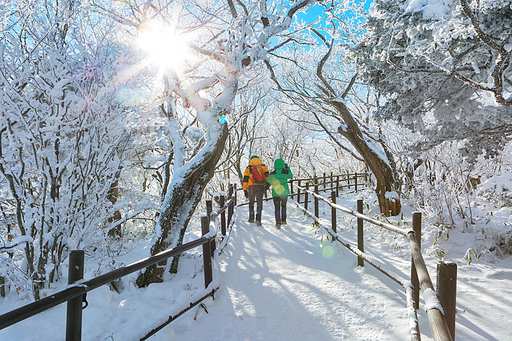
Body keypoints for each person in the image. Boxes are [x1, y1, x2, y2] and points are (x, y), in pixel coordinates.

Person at [242, 155, 269, 226]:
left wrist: (245, 190)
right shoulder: (263, 166)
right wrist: (266, 186)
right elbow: (267, 177)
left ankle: (251, 218)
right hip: (260, 186)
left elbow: (245, 180)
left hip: (251, 187)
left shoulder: (248, 168)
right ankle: (258, 219)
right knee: (259, 202)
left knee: (251, 202)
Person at [266, 158, 293, 228]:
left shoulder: (272, 173)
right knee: (283, 206)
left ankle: (278, 223)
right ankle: (283, 220)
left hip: (275, 193)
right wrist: (287, 168)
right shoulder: (285, 172)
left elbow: (268, 182)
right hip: (284, 193)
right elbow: (290, 175)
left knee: (277, 208)